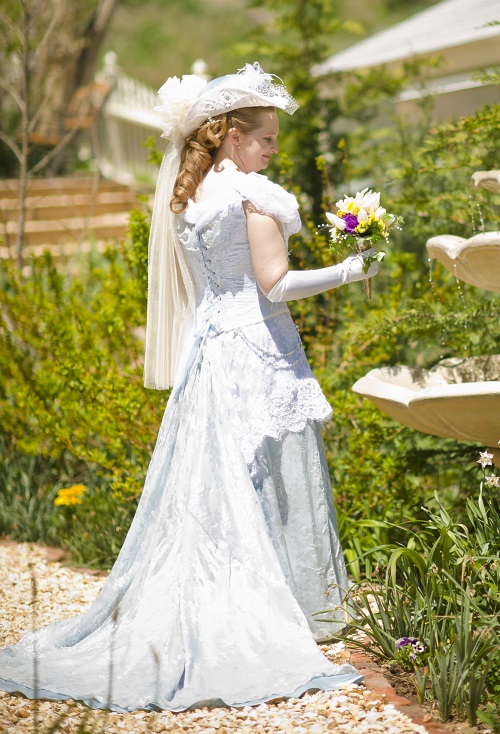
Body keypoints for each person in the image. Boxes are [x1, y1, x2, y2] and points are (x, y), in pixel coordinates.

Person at [0, 62, 377, 713]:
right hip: (259, 354)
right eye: (264, 139)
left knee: (218, 486)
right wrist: (350, 268)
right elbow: (275, 285)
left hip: (211, 358)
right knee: (275, 477)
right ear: (232, 136)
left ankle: (230, 590)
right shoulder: (254, 196)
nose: (272, 150)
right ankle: (287, 610)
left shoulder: (190, 196)